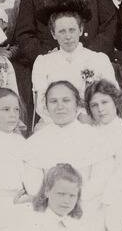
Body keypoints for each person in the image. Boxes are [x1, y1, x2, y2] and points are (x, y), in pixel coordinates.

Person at [23, 80, 114, 215]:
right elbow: (33, 184)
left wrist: (73, 201)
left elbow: (101, 179)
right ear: (46, 107)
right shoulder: (35, 141)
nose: (60, 106)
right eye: (53, 101)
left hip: (86, 208)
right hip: (48, 210)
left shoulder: (95, 137)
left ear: (77, 105)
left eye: (66, 100)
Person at [30, 0, 116, 126]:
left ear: (80, 30)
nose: (68, 36)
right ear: (53, 34)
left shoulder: (99, 59)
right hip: (55, 124)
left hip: (92, 123)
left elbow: (111, 97)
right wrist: (66, 121)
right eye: (62, 31)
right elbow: (41, 104)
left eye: (72, 30)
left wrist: (91, 118)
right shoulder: (43, 62)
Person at [86, 78, 122, 165]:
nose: (100, 109)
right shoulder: (89, 132)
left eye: (104, 102)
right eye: (94, 105)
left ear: (115, 102)